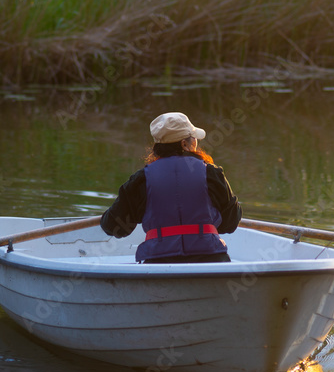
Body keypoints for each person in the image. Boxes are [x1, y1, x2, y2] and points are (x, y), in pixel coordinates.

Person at [101, 112, 242, 263]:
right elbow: (231, 222)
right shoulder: (212, 173)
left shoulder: (141, 180)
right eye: (193, 138)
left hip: (159, 262)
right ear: (184, 144)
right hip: (210, 259)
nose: (196, 142)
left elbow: (114, 227)